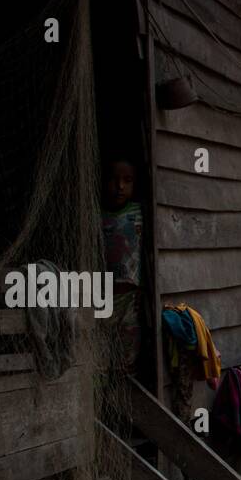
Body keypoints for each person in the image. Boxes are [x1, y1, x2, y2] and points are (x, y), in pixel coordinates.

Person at [100, 157, 145, 374]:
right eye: (114, 180)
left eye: (127, 181)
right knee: (102, 358)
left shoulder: (140, 213)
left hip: (131, 299)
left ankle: (126, 399)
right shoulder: (98, 217)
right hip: (103, 299)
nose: (120, 186)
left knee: (128, 359)